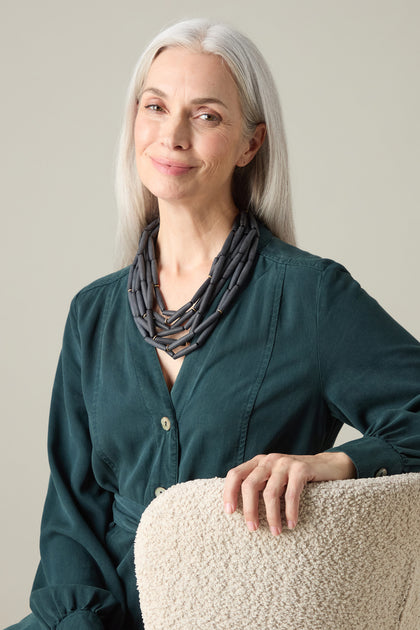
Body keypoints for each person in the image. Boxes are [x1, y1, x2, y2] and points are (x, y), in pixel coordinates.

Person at [6, 17, 420, 630]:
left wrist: (335, 464)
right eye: (155, 107)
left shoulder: (309, 296)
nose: (171, 135)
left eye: (206, 116)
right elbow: (72, 514)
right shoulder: (92, 314)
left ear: (250, 145)